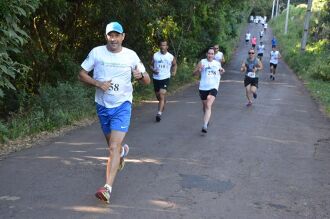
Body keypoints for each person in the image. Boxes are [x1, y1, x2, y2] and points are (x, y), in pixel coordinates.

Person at [78, 21, 150, 204]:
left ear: (123, 37)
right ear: (106, 37)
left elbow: (147, 80)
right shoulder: (96, 53)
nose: (114, 38)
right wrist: (98, 84)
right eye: (111, 35)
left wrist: (140, 76)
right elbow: (81, 74)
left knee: (112, 148)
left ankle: (107, 188)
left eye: (117, 35)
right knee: (112, 146)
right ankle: (122, 155)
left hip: (122, 105)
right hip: (102, 106)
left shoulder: (131, 56)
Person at [193, 47, 225, 133]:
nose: (210, 55)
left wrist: (222, 71)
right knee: (205, 106)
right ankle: (207, 119)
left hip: (213, 87)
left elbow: (221, 71)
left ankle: (204, 125)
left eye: (212, 54)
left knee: (208, 105)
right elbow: (194, 74)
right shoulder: (202, 62)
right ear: (206, 54)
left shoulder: (217, 63)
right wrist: (199, 70)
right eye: (209, 53)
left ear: (214, 55)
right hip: (203, 87)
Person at [150, 40, 177, 122]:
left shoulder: (170, 56)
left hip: (165, 78)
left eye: (164, 45)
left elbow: (175, 64)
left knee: (162, 94)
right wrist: (153, 70)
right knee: (159, 96)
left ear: (167, 47)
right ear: (159, 46)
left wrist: (174, 71)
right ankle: (163, 102)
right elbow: (150, 65)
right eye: (161, 45)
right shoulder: (155, 55)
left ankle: (159, 113)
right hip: (156, 78)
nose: (163, 47)